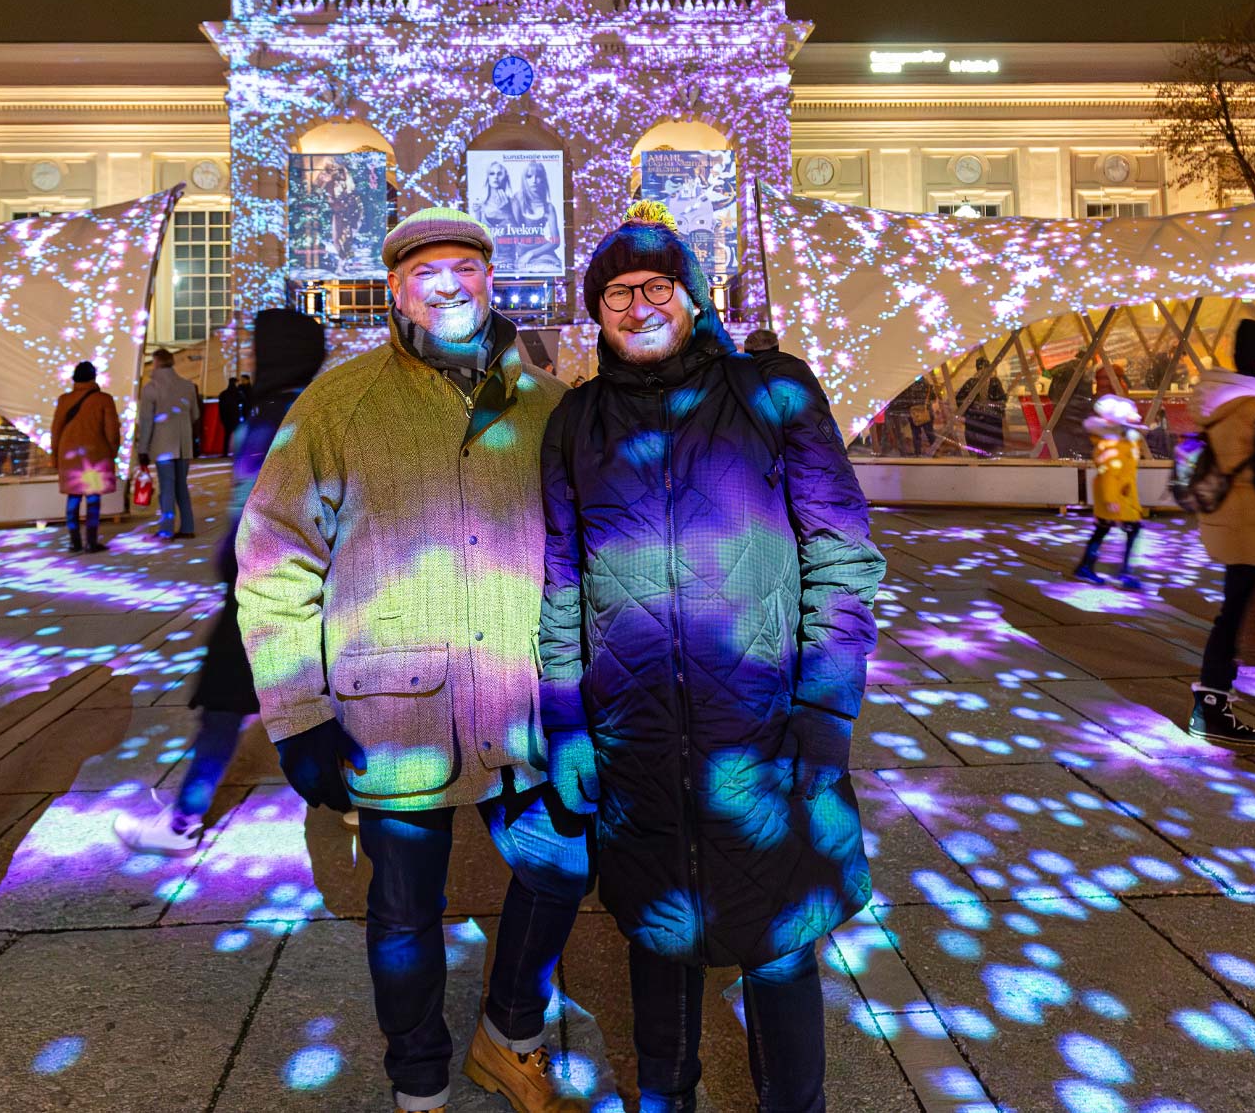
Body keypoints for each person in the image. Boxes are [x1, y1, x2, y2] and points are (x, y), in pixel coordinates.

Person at [237, 207, 591, 1113]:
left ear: (490, 277)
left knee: (559, 866)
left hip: (524, 698)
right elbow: (276, 559)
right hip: (394, 707)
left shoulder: (549, 406)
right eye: (423, 272)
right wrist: (298, 711)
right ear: (395, 291)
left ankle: (508, 1031)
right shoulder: (340, 402)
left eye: (463, 268)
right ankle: (419, 1078)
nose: (445, 286)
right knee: (403, 914)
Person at [539, 200, 883, 1113]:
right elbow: (561, 580)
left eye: (657, 284)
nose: (638, 303)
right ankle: (667, 1098)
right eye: (616, 292)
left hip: (761, 723)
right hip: (634, 735)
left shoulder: (771, 392)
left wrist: (826, 704)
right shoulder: (576, 425)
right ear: (597, 311)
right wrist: (567, 721)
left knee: (777, 935)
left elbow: (841, 554)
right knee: (659, 930)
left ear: (692, 295)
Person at [115, 309, 326, 854]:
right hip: (315, 587)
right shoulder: (322, 410)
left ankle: (184, 820)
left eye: (260, 351)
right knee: (312, 699)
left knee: (224, 709)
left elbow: (251, 510)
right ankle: (353, 800)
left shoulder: (272, 417)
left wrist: (231, 570)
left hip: (259, 589)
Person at [1188, 320, 1255, 747]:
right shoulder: (1252, 406)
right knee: (1240, 615)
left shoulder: (1233, 401)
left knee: (1238, 612)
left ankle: (1218, 700)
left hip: (1243, 525)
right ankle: (1213, 706)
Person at [1073, 393, 1146, 589]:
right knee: (1130, 530)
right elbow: (1109, 474)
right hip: (1116, 497)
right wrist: (1111, 499)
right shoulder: (1113, 445)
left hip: (1122, 495)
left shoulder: (1124, 441)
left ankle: (1088, 567)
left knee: (1103, 530)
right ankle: (1123, 573)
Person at [51, 361, 121, 553]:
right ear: (93, 377)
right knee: (92, 498)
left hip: (69, 454)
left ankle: (74, 541)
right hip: (95, 454)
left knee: (73, 498)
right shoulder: (104, 399)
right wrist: (113, 451)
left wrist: (55, 456)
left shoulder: (64, 399)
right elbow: (112, 431)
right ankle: (91, 541)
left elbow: (55, 430)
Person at [135, 348, 197, 539]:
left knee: (167, 488)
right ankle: (187, 527)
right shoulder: (188, 386)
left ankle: (166, 528)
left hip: (163, 447)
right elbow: (195, 415)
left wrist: (142, 448)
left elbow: (146, 422)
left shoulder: (151, 388)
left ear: (155, 363)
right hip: (184, 445)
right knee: (182, 487)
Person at [217, 374, 247, 458]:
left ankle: (225, 453)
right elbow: (244, 402)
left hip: (226, 417)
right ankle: (238, 452)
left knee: (227, 435)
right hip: (235, 416)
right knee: (237, 435)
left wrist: (222, 417)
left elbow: (220, 406)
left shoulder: (223, 393)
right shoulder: (238, 393)